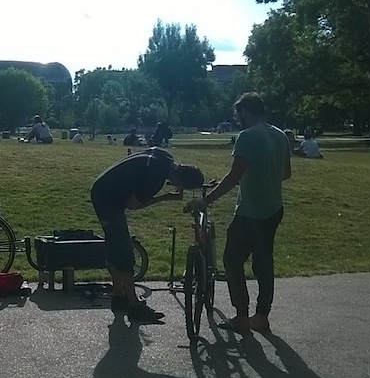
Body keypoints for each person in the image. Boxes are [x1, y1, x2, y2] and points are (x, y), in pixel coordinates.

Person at [185, 92, 291, 334]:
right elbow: (285, 173)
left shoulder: (247, 136)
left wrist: (206, 200)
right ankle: (261, 317)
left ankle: (242, 317)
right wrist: (264, 176)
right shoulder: (280, 135)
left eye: (239, 114)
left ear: (245, 111)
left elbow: (234, 176)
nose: (238, 118)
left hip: (251, 211)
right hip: (274, 208)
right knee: (264, 264)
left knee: (232, 261)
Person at [92, 147, 205, 322]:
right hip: (106, 199)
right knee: (124, 252)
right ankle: (134, 306)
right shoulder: (155, 179)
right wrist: (165, 197)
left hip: (105, 187)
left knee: (115, 246)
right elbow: (133, 205)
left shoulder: (165, 157)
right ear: (181, 182)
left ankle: (119, 297)